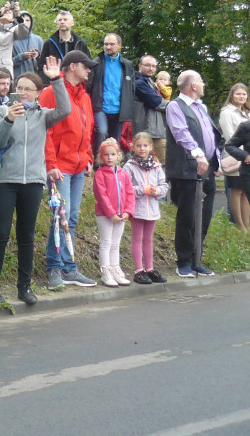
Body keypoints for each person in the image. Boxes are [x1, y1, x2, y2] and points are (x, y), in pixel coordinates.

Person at [0, 58, 70, 305]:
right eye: (18, 88)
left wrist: (56, 80)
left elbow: (65, 110)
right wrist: (8, 119)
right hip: (4, 181)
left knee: (27, 236)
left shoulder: (43, 115)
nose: (21, 92)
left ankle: (24, 287)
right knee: (0, 234)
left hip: (33, 181)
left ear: (37, 93)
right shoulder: (2, 110)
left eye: (27, 89)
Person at [42, 50, 99, 290]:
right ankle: (55, 268)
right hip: (60, 168)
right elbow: (45, 130)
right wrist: (51, 165)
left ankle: (69, 267)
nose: (89, 70)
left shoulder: (84, 96)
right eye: (86, 66)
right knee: (60, 217)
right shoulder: (50, 92)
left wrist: (88, 159)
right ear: (73, 66)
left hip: (77, 167)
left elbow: (88, 129)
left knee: (71, 217)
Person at [165, 70, 222, 278]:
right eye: (201, 82)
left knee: (204, 217)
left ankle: (197, 259)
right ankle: (184, 262)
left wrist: (217, 159)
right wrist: (198, 154)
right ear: (193, 86)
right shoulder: (175, 106)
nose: (204, 85)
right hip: (186, 169)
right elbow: (181, 133)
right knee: (187, 217)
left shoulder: (201, 107)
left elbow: (211, 135)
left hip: (207, 169)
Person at [124, 132, 169, 285]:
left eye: (145, 146)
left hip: (153, 209)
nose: (142, 149)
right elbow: (126, 188)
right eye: (138, 146)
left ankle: (149, 268)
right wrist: (144, 189)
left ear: (150, 147)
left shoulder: (156, 166)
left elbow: (164, 185)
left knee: (148, 239)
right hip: (137, 209)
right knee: (137, 239)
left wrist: (158, 191)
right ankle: (138, 270)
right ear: (133, 147)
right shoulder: (130, 166)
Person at [92, 139, 134, 287]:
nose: (109, 157)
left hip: (121, 214)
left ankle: (115, 268)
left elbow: (129, 193)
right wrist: (111, 213)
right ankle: (106, 272)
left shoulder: (123, 173)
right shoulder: (99, 174)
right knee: (106, 242)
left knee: (116, 243)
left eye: (113, 154)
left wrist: (128, 211)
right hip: (105, 215)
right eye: (106, 155)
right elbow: (101, 196)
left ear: (118, 156)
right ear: (101, 157)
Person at [88, 33, 135, 151]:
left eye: (112, 44)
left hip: (119, 110)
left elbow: (132, 88)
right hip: (100, 107)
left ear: (119, 45)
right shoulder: (96, 63)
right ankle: (98, 163)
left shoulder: (127, 65)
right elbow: (88, 86)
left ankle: (112, 166)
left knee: (115, 140)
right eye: (106, 44)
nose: (108, 47)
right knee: (102, 132)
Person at [218, 83, 250, 232]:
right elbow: (231, 137)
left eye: (244, 94)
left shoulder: (247, 112)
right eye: (238, 94)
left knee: (246, 190)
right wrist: (244, 154)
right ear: (232, 95)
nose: (241, 97)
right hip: (235, 155)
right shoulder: (227, 112)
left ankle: (247, 225)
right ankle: (239, 225)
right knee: (237, 190)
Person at [133, 54, 168, 163]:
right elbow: (157, 102)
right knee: (158, 164)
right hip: (148, 131)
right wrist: (175, 106)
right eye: (148, 65)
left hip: (156, 130)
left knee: (160, 164)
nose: (151, 68)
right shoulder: (139, 82)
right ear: (140, 65)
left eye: (154, 66)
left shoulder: (151, 82)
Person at [12, 11, 43, 79]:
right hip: (17, 79)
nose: (25, 22)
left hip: (34, 79)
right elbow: (7, 63)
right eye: (22, 20)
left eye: (28, 20)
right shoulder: (11, 39)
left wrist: (38, 55)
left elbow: (43, 63)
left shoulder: (38, 39)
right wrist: (23, 56)